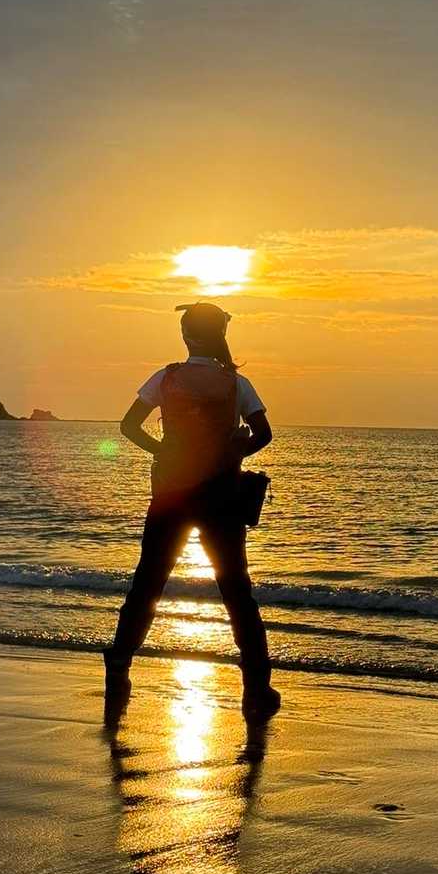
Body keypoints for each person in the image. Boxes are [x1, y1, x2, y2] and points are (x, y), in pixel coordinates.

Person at [104, 301, 281, 721]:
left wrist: (163, 451)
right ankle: (256, 688)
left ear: (185, 336)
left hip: (170, 497)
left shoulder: (165, 378)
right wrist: (234, 452)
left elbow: (128, 426)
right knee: (236, 591)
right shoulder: (236, 383)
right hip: (222, 498)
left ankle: (119, 669)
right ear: (221, 335)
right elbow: (264, 433)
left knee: (147, 585)